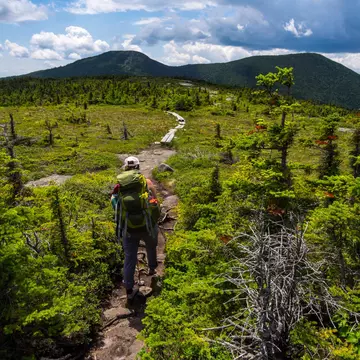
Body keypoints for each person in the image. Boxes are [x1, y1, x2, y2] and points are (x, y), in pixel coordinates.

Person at [111, 156, 158, 301]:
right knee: (151, 246)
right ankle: (152, 269)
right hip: (146, 226)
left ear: (125, 168)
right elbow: (155, 202)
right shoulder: (147, 182)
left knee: (129, 258)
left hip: (128, 229)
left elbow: (114, 203)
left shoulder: (119, 186)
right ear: (138, 167)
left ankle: (129, 290)